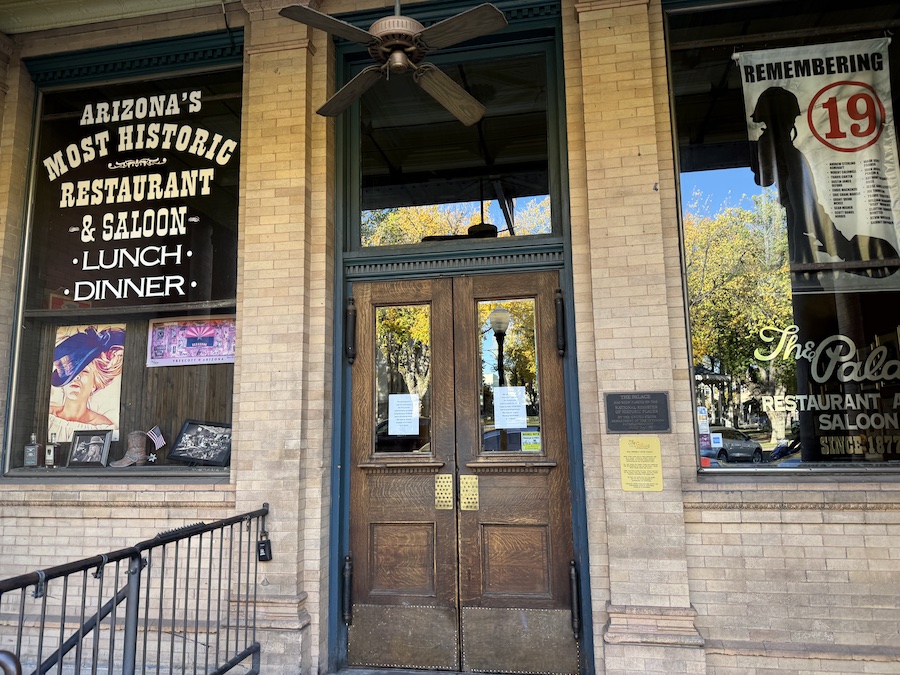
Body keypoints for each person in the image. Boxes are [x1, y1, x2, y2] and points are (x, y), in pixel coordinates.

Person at [750, 86, 899, 280]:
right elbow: (771, 184)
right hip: (805, 219)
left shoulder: (788, 152)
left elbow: (778, 187)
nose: (792, 123)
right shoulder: (777, 148)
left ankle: (852, 253)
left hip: (808, 218)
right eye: (791, 119)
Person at [49, 326, 125, 441]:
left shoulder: (102, 427)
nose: (77, 377)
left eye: (84, 371)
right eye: (72, 373)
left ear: (94, 384)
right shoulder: (49, 417)